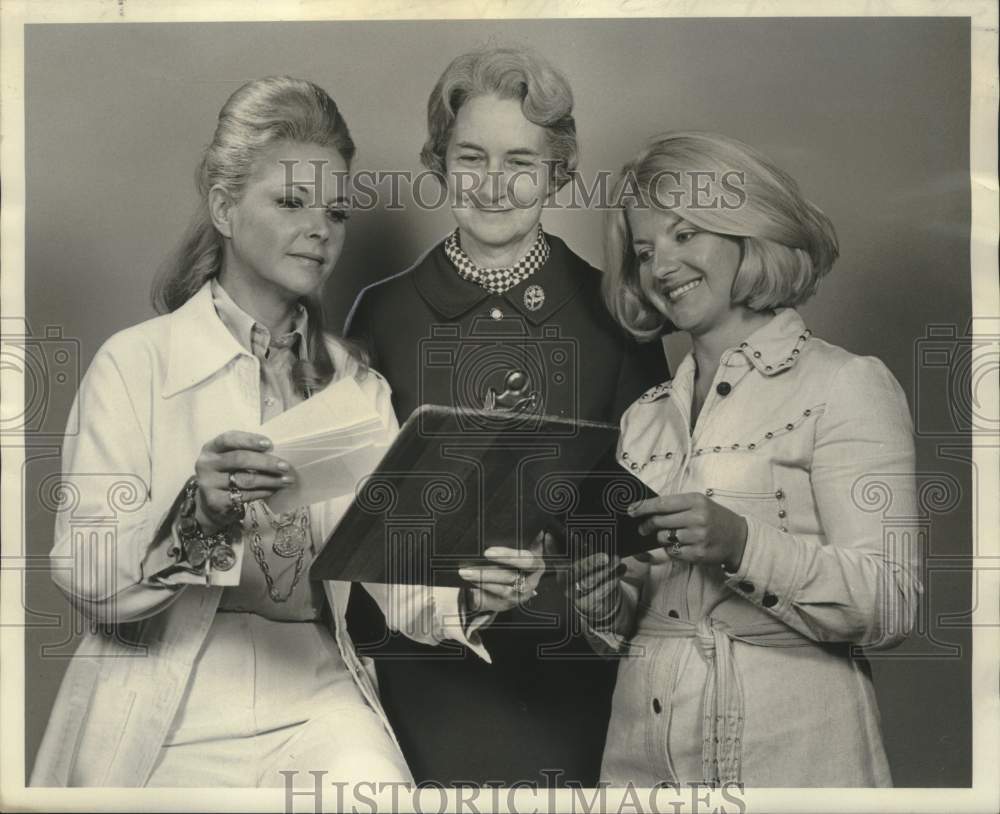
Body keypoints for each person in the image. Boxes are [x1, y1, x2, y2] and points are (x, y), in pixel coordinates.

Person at [30, 76, 480, 789]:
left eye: (336, 211)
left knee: (375, 789)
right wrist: (198, 517)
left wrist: (476, 593)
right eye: (291, 202)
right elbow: (85, 575)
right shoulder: (135, 363)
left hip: (312, 690)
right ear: (224, 208)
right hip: (169, 694)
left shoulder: (357, 386)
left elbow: (399, 574)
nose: (321, 229)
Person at [344, 46, 669, 786]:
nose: (493, 184)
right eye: (471, 157)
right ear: (439, 162)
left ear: (558, 171)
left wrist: (611, 588)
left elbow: (650, 520)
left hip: (577, 684)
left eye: (520, 161)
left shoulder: (618, 315)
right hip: (423, 681)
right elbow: (354, 528)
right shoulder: (382, 314)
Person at [569, 131, 922, 786]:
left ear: (747, 233)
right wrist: (604, 601)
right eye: (644, 252)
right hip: (639, 767)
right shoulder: (644, 417)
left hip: (792, 762)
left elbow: (891, 604)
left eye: (684, 234)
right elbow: (638, 616)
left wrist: (741, 544)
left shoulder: (844, 384)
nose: (661, 267)